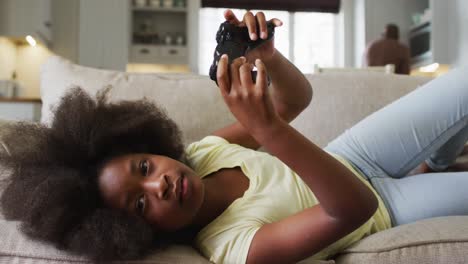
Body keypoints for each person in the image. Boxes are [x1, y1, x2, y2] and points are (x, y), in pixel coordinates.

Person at [1, 9, 468, 264]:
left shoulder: (202, 153)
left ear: (148, 148)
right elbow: (354, 208)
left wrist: (269, 57)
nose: (157, 184)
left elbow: (294, 102)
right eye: (139, 204)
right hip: (384, 208)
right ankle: (435, 168)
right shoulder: (233, 248)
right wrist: (268, 129)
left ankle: (438, 160)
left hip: (352, 154)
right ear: (135, 231)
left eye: (143, 168)